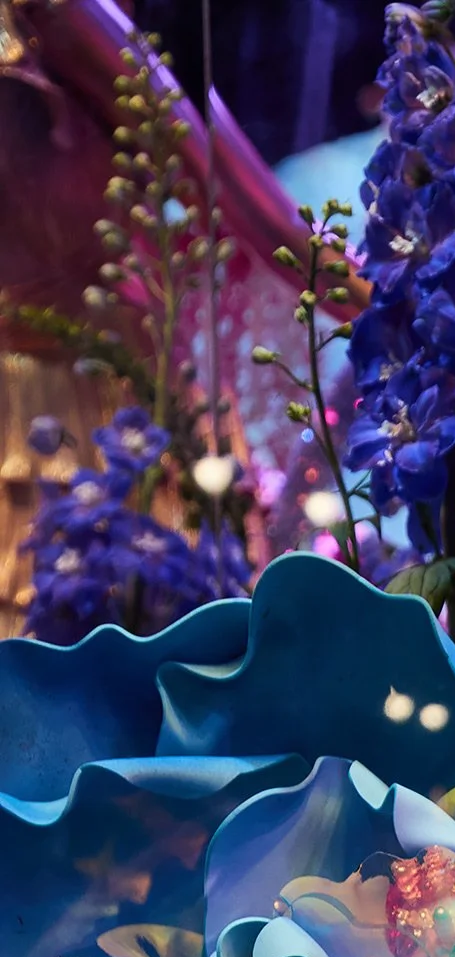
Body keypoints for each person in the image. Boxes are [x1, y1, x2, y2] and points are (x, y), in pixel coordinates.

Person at [0, 0, 312, 632]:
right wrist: (365, 284)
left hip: (103, 375)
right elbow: (232, 187)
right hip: (83, 395)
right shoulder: (57, 14)